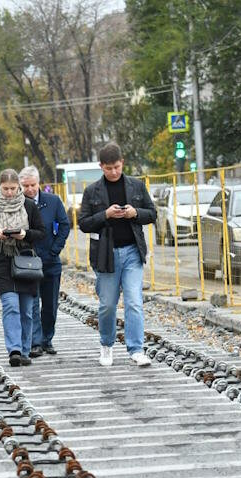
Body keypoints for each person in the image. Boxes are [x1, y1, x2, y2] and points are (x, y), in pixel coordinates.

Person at [78, 142, 156, 367]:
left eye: (117, 167)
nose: (113, 172)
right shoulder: (92, 191)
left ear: (123, 163)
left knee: (134, 301)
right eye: (109, 168)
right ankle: (106, 345)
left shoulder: (136, 186)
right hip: (106, 255)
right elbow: (83, 223)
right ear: (101, 166)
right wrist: (105, 214)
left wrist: (135, 213)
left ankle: (136, 349)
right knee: (108, 304)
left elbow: (152, 214)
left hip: (133, 251)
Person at [0, 169, 45, 367]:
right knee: (10, 306)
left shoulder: (30, 207)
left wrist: (25, 234)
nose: (9, 193)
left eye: (13, 189)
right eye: (5, 189)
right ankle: (14, 350)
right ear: (0, 187)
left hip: (25, 263)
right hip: (1, 263)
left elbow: (41, 233)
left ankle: (25, 350)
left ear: (19, 188)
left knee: (26, 310)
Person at [19, 166, 70, 357]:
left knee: (50, 304)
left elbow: (64, 226)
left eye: (33, 185)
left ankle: (47, 339)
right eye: (25, 186)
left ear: (39, 183)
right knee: (31, 303)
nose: (30, 189)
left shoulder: (53, 201)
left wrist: (54, 250)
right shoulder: (17, 205)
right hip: (27, 261)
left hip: (50, 261)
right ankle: (35, 342)